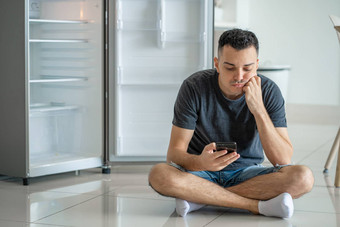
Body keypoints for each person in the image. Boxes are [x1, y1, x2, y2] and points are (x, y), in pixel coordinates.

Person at [148, 28, 314, 219]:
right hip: (201, 173)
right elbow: (174, 154)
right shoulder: (193, 87)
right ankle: (255, 205)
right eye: (230, 67)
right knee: (159, 174)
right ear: (217, 64)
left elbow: (282, 159)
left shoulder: (269, 91)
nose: (239, 76)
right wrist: (200, 162)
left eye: (247, 68)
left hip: (248, 173)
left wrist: (258, 109)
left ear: (257, 65)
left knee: (303, 177)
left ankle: (199, 198)